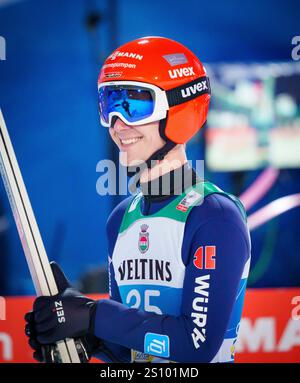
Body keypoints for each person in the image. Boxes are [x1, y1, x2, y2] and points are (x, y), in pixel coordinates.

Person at [25, 36, 251, 363]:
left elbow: (196, 345)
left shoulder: (214, 218)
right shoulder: (120, 220)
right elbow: (130, 350)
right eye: (109, 105)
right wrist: (84, 339)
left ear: (180, 110)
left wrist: (93, 316)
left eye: (134, 105)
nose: (118, 125)